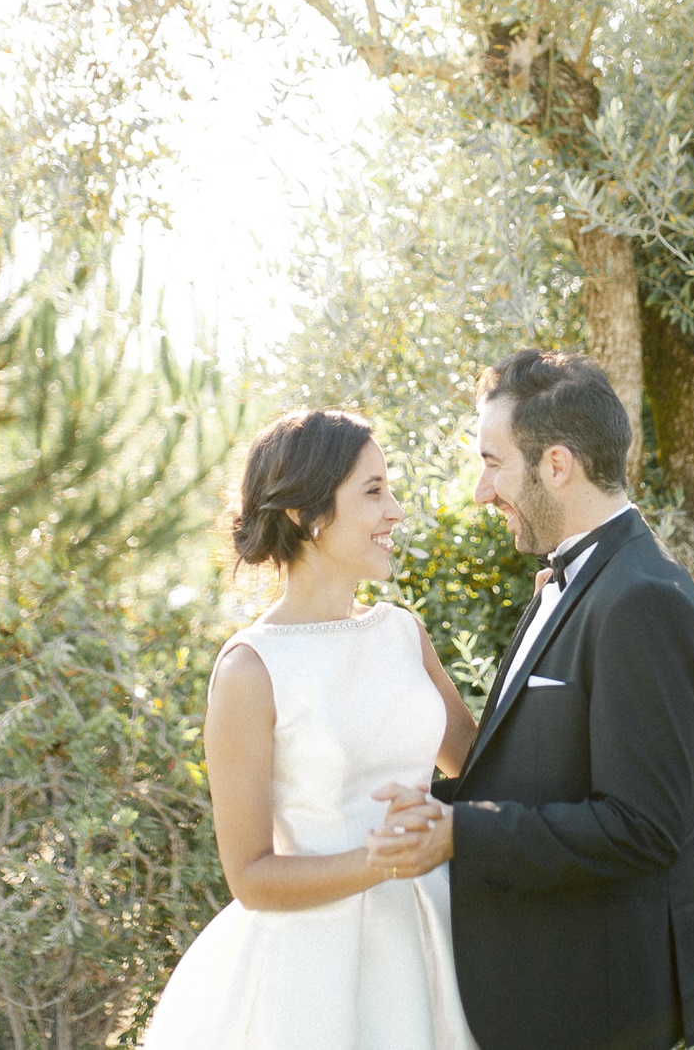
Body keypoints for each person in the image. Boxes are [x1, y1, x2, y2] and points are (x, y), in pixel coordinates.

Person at [376, 349, 694, 1050]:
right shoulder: (570, 582)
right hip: (547, 997)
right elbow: (534, 772)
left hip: (601, 1009)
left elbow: (641, 826)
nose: (481, 490)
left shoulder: (641, 599)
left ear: (556, 465)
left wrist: (458, 834)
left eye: (493, 463)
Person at [143, 408, 481, 1050]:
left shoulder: (401, 633)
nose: (396, 512)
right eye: (374, 491)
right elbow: (249, 875)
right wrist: (376, 862)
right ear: (307, 514)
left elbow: (481, 762)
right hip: (310, 972)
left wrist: (547, 635)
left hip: (436, 936)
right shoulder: (251, 669)